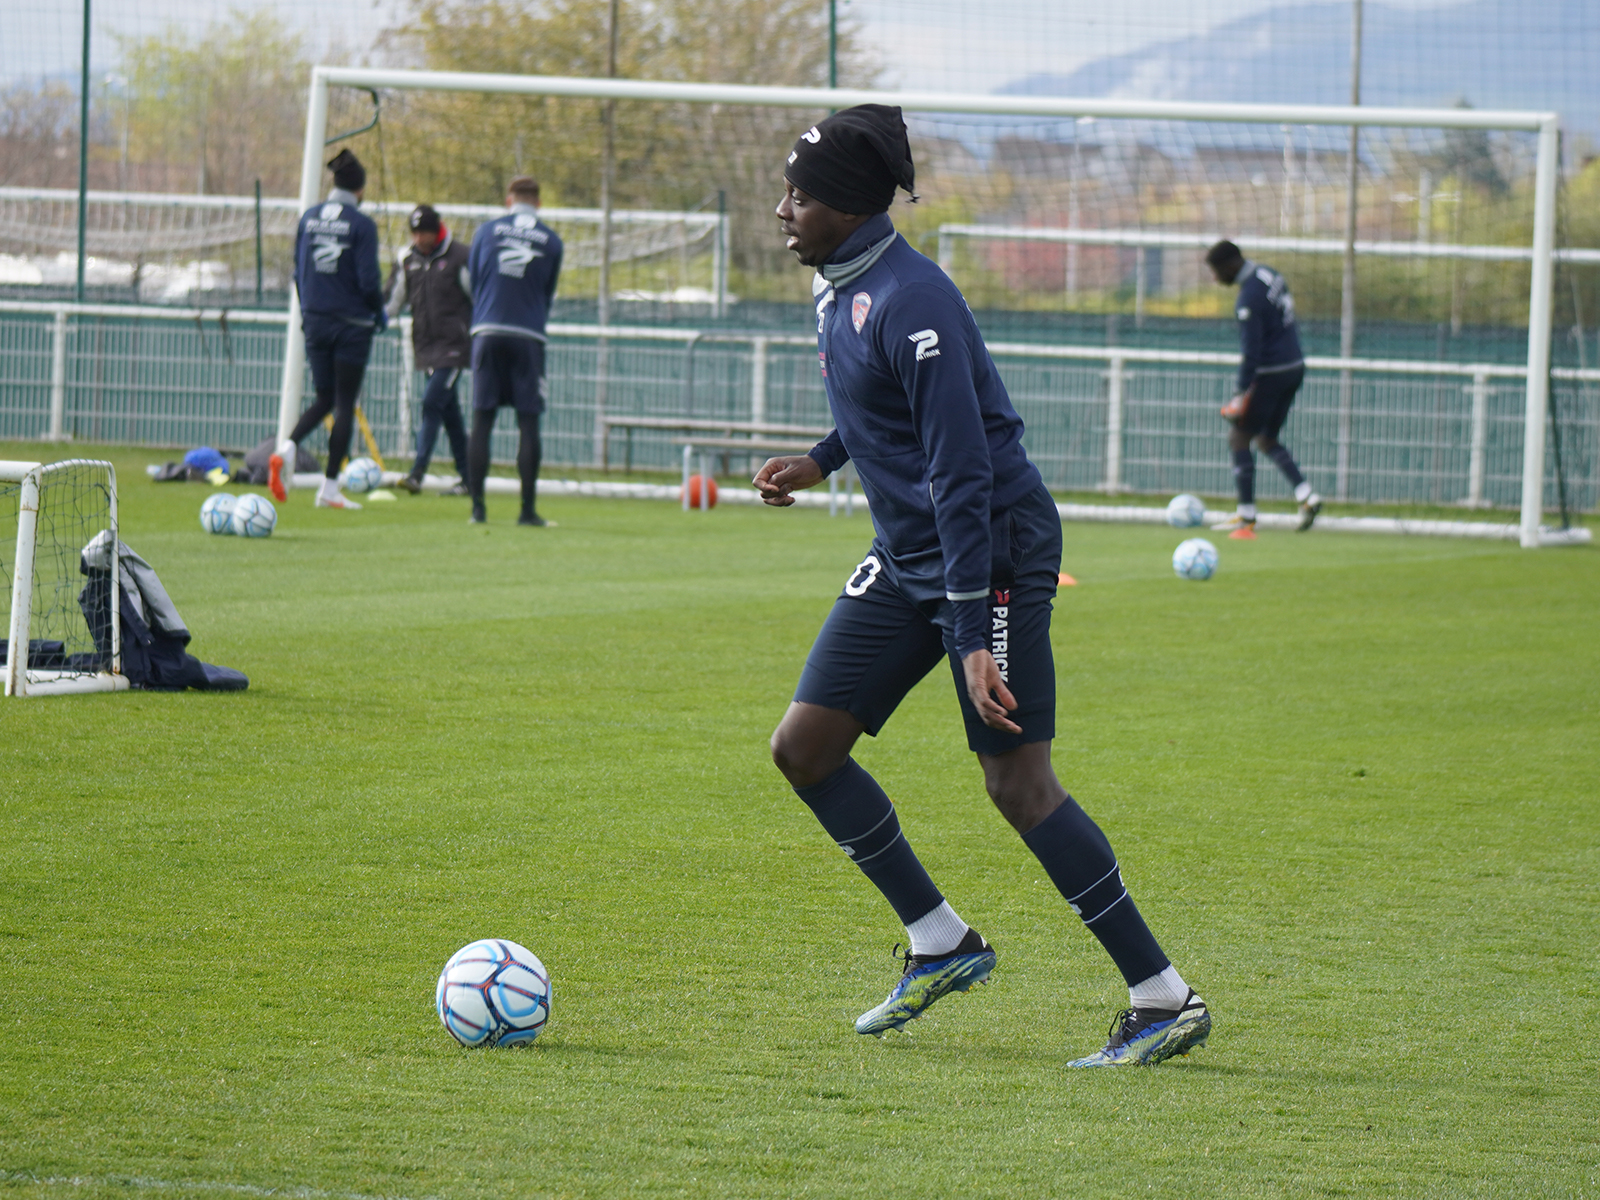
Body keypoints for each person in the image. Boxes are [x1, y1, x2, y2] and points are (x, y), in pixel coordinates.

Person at [754, 105, 1211, 1068]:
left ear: (843, 204)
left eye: (796, 194)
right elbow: (884, 408)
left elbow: (962, 472)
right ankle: (941, 941)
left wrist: (969, 634)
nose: (782, 209)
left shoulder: (914, 300)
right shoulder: (840, 286)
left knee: (1016, 781)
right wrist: (822, 459)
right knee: (805, 747)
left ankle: (1162, 997)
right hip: (910, 548)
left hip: (991, 554)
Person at [270, 148, 385, 510]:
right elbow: (369, 281)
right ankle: (330, 488)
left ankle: (287, 447)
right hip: (350, 325)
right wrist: (379, 312)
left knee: (324, 397)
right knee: (345, 404)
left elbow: (297, 271)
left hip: (315, 321)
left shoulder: (309, 218)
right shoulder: (362, 225)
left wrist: (309, 311)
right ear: (361, 192)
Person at [1204, 239, 1322, 538]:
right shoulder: (1269, 274)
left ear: (1231, 265)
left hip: (1270, 372)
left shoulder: (1248, 298)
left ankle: (1246, 516)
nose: (1216, 279)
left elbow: (1252, 352)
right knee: (1267, 439)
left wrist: (1240, 394)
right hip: (1295, 366)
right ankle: (1306, 495)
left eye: (1217, 272)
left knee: (1238, 438)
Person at [464, 175, 563, 526]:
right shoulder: (551, 241)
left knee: (482, 420)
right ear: (538, 203)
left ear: (509, 200)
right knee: (528, 422)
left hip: (487, 330)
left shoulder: (485, 232)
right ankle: (526, 511)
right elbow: (547, 293)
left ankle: (478, 510)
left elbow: (473, 280)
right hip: (528, 335)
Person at [385, 204, 473, 496]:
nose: (420, 238)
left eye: (425, 232)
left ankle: (417, 473)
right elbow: (392, 301)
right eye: (416, 233)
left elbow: (478, 296)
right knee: (450, 415)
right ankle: (469, 477)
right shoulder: (407, 259)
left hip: (454, 348)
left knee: (432, 402)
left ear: (437, 231)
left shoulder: (461, 257)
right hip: (425, 347)